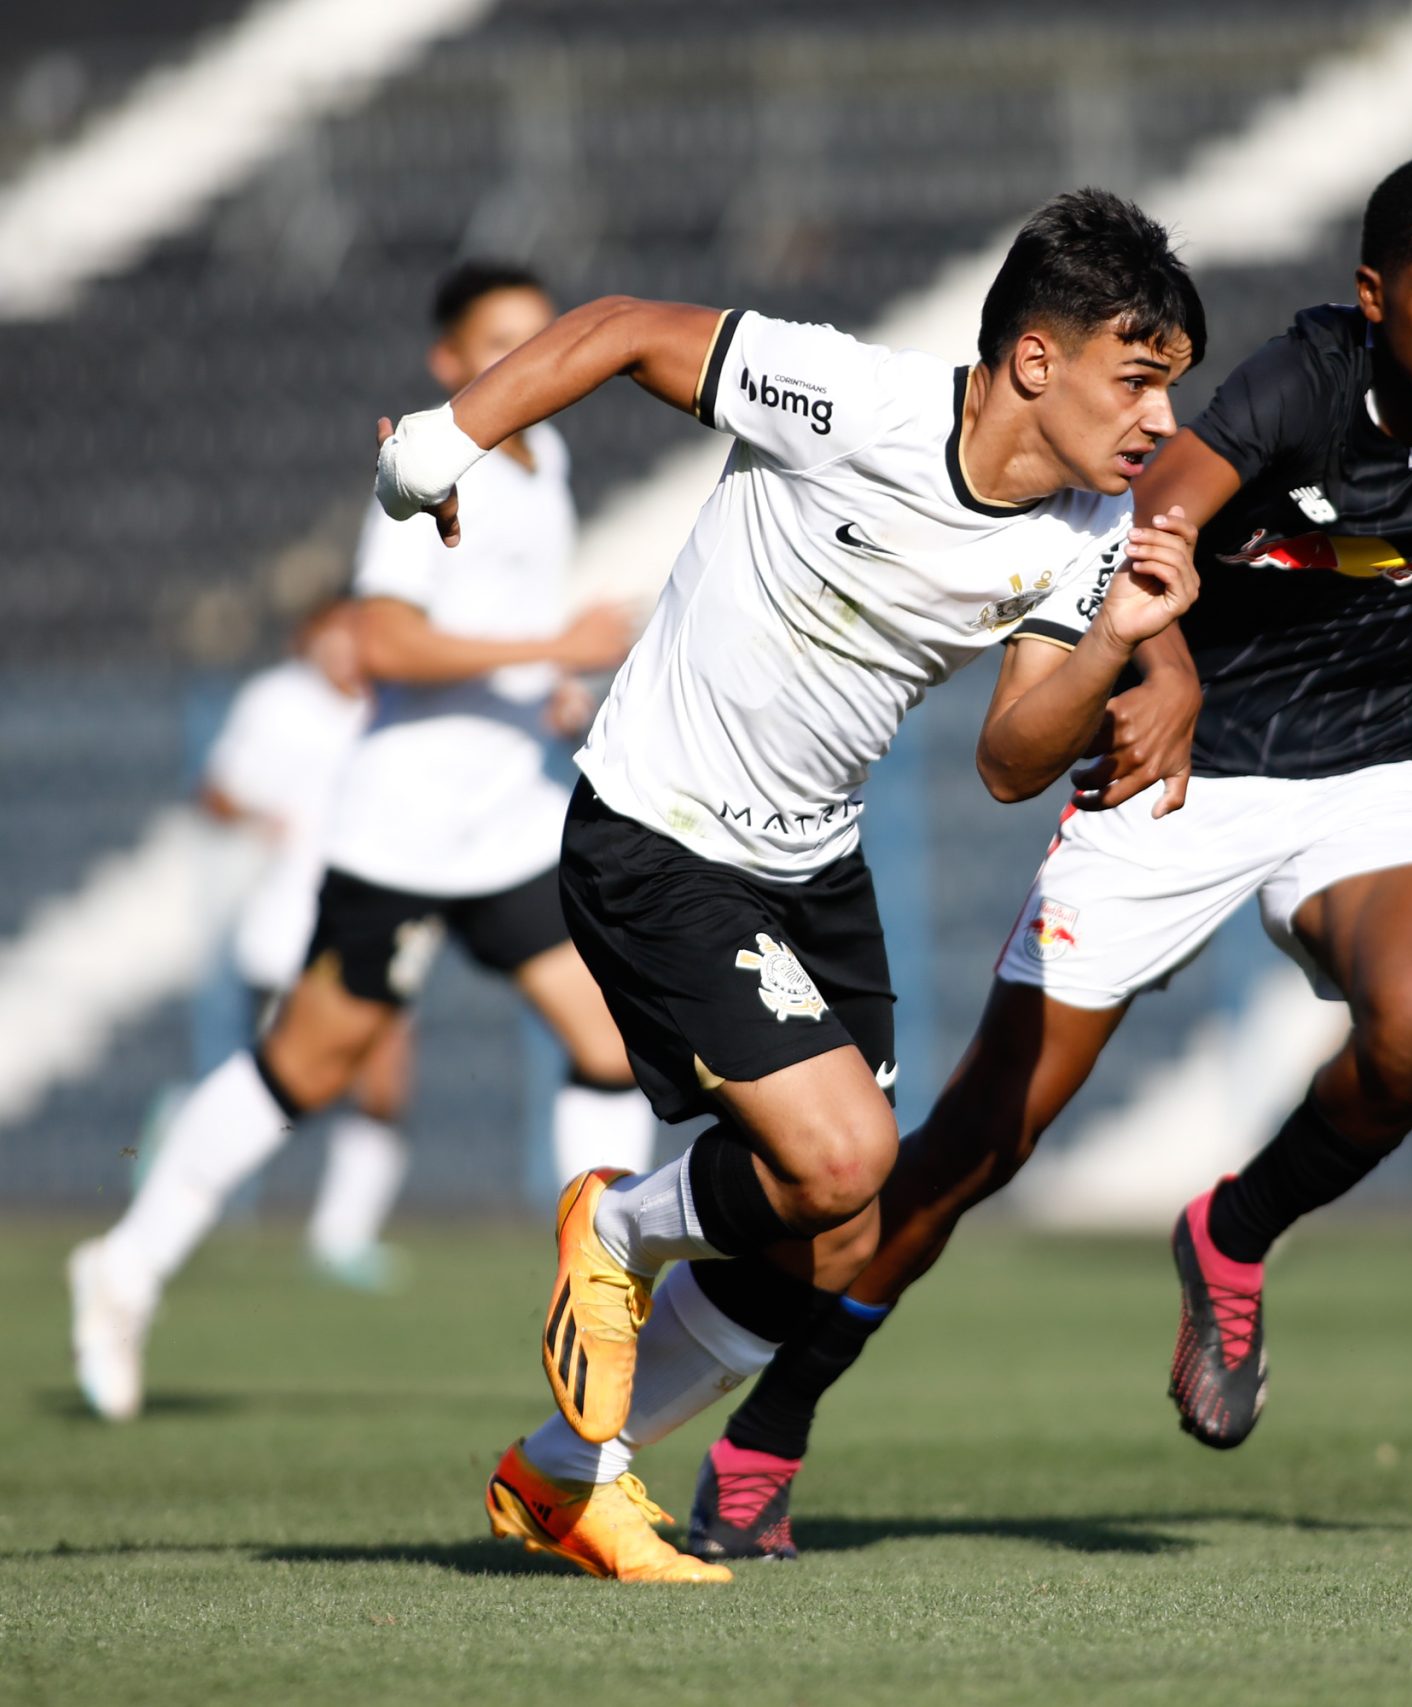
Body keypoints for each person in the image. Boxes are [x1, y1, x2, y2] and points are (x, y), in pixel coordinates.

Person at [682, 152, 1412, 1561]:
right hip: (1176, 771)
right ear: (1375, 295)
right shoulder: (1300, 384)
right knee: (979, 1143)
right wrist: (1163, 669)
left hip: (1381, 771)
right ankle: (767, 1432)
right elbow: (1159, 516)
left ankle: (1234, 1226)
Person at [372, 191, 1205, 1583]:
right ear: (1037, 361)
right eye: (1139, 380)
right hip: (658, 830)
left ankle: (567, 1470)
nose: (1159, 423)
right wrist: (439, 447)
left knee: (840, 1237)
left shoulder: (1089, 529)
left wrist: (1118, 636)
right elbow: (629, 329)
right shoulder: (851, 397)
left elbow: (1011, 759)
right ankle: (621, 1223)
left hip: (808, 865)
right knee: (844, 1158)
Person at [68, 261, 654, 1424]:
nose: (528, 363)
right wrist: (548, 644)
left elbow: (482, 636)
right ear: (448, 364)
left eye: (544, 341)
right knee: (306, 1068)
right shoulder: (438, 460)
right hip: (400, 832)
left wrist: (541, 688)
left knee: (608, 1036)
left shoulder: (553, 463)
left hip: (505, 828)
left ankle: (603, 1306)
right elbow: (378, 643)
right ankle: (124, 1264)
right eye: (499, 342)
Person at [194, 595, 417, 1290]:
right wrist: (264, 815)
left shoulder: (392, 702)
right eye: (335, 634)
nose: (347, 650)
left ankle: (341, 1235)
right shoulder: (275, 702)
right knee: (292, 1086)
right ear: (310, 639)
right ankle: (187, 1143)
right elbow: (217, 793)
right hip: (288, 924)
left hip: (373, 920)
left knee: (382, 1079)